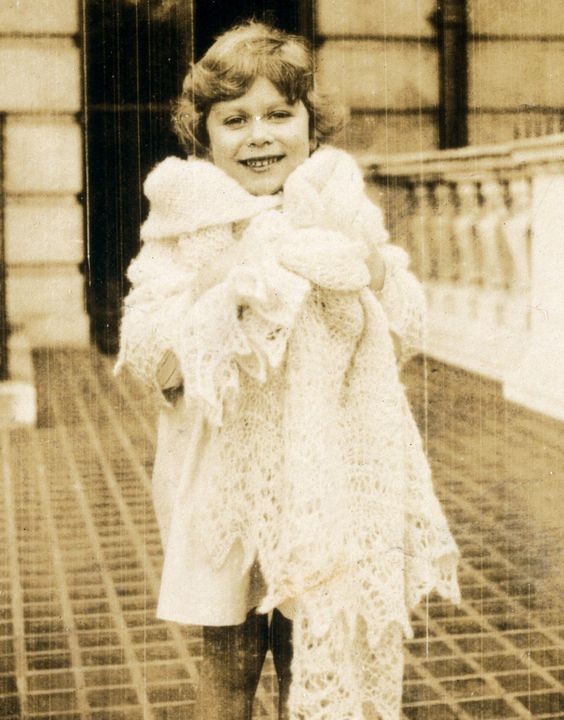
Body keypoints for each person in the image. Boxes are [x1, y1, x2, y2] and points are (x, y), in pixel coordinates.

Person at [114, 22, 460, 719]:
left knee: (316, 644)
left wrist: (369, 275)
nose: (260, 136)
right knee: (229, 665)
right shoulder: (186, 224)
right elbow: (154, 361)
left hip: (323, 474)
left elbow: (403, 333)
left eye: (280, 114)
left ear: (310, 123)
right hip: (220, 481)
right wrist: (225, 285)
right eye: (235, 120)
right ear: (204, 134)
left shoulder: (338, 217)